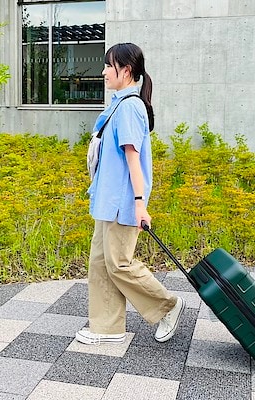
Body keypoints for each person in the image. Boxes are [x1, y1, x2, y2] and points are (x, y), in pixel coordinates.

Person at [76, 43, 185, 345]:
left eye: (108, 66)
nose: (103, 72)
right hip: (107, 202)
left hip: (122, 202)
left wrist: (139, 204)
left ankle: (168, 306)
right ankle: (107, 328)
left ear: (125, 70)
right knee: (101, 264)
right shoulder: (119, 105)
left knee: (120, 264)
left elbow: (133, 160)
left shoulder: (129, 108)